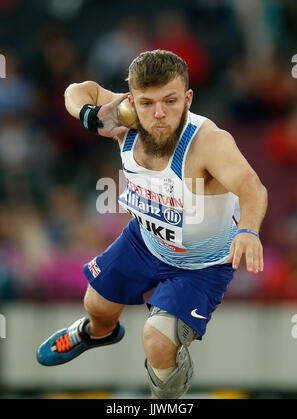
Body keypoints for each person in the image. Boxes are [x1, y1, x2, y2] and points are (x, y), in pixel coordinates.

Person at [36, 50, 268, 399]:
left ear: (188, 98)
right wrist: (89, 115)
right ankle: (95, 333)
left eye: (171, 101)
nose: (159, 114)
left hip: (199, 265)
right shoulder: (123, 119)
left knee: (156, 341)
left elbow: (252, 187)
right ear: (132, 101)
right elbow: (76, 90)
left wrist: (249, 229)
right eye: (147, 103)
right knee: (97, 307)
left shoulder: (209, 143)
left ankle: (166, 401)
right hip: (144, 241)